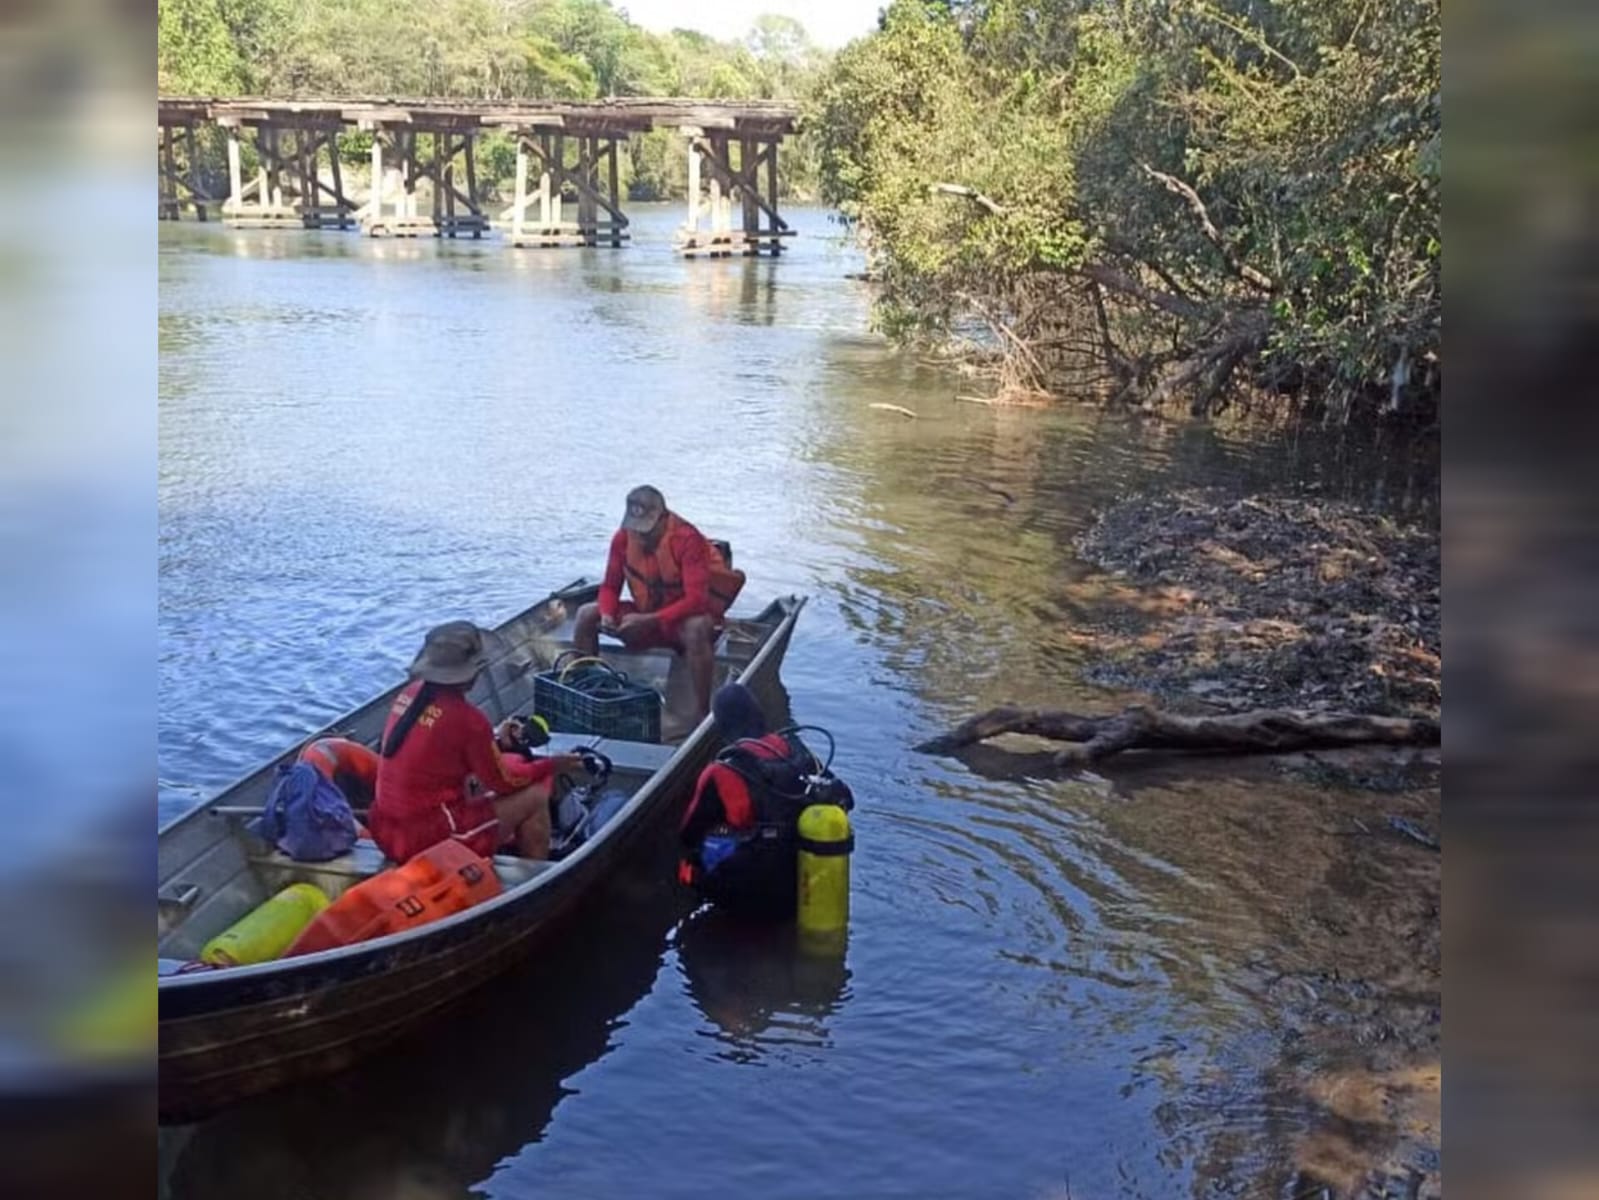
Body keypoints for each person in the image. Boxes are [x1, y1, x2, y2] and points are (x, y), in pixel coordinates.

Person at [370, 621, 583, 862]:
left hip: (385, 830)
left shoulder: (408, 694)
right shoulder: (469, 720)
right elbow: (505, 782)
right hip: (429, 839)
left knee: (480, 786)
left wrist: (495, 742)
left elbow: (442, 749)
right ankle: (538, 876)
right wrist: (553, 765)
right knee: (534, 797)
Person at [676, 683, 853, 919]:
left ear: (721, 726)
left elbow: (688, 833)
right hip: (801, 881)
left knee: (686, 865)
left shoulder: (720, 772)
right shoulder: (799, 752)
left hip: (749, 890)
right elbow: (845, 798)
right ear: (759, 715)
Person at [572, 485, 746, 723]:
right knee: (585, 614)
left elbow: (697, 600)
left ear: (663, 519)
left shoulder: (688, 540)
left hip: (680, 623)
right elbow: (610, 586)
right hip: (647, 616)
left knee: (696, 628)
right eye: (636, 529)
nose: (640, 536)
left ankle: (702, 713)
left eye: (647, 531)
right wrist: (607, 615)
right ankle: (587, 692)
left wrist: (649, 620)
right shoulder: (623, 538)